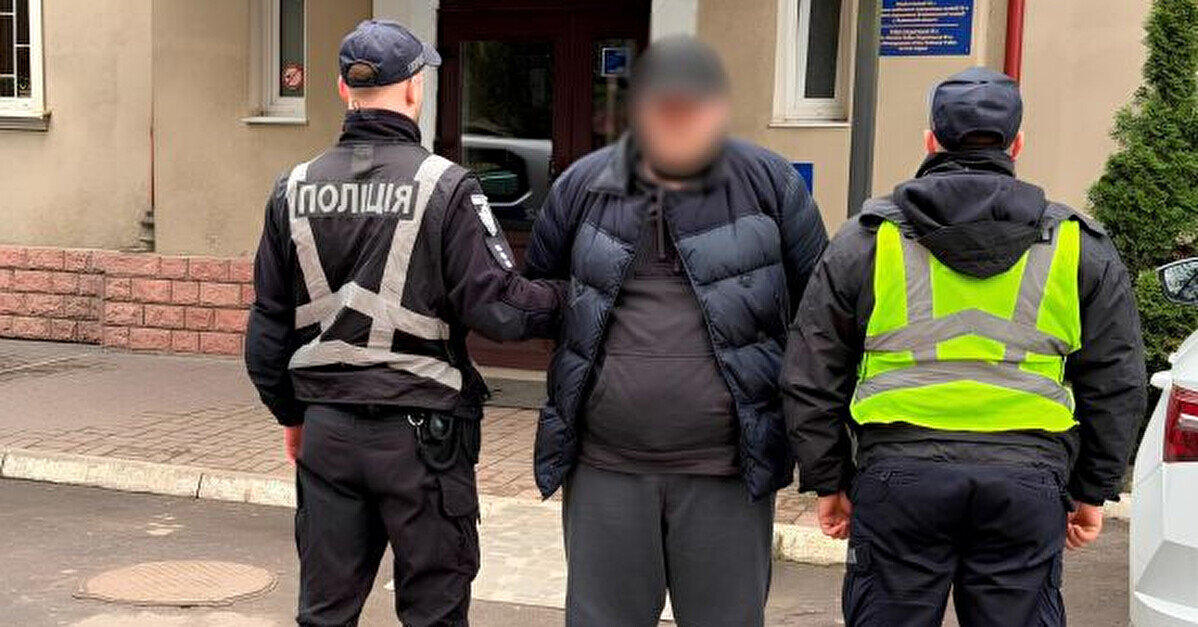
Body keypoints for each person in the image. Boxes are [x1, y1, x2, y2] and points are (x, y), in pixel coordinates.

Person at [782, 67, 1147, 626]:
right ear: (1016, 145)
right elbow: (1117, 380)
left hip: (899, 475)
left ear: (931, 141)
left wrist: (828, 479)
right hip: (1027, 480)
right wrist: (1091, 490)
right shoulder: (1076, 245)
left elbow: (812, 370)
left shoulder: (868, 239)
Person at [244, 20, 566, 627]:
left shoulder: (293, 188)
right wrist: (572, 298)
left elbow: (267, 329)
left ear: (343, 88)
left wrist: (292, 415)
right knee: (433, 613)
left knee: (324, 613)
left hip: (328, 430)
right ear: (415, 87)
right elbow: (500, 309)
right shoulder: (446, 186)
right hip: (424, 439)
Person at [525, 36, 828, 627]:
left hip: (728, 472)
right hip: (605, 467)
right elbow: (547, 294)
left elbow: (818, 310)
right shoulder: (583, 185)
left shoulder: (770, 183)